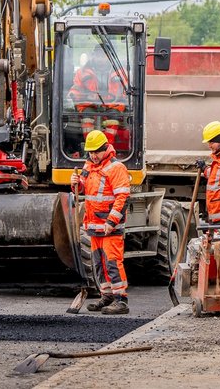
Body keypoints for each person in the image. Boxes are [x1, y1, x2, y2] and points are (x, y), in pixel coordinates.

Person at [71, 130, 131, 315]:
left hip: (109, 227)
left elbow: (122, 198)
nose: (93, 156)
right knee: (99, 264)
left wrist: (111, 222)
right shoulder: (89, 166)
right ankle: (107, 296)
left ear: (105, 149)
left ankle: (121, 300)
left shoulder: (116, 168)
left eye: (96, 152)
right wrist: (75, 183)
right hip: (94, 225)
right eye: (90, 152)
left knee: (113, 262)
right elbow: (82, 189)